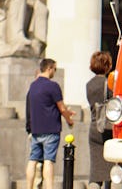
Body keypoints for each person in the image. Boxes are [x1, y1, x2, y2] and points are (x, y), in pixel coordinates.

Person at [25, 58, 76, 189]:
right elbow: (61, 108)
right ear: (49, 68)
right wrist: (69, 120)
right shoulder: (53, 86)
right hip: (51, 130)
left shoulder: (33, 86)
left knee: (32, 160)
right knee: (48, 161)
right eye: (54, 69)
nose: (55, 71)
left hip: (36, 130)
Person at [87, 51, 115, 189]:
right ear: (107, 65)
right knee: (111, 170)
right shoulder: (108, 83)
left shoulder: (89, 84)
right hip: (108, 128)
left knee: (96, 172)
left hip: (93, 127)